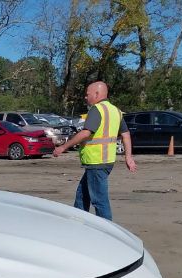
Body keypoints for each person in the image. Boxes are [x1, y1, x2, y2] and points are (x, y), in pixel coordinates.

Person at [52, 81, 136, 221]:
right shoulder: (115, 111)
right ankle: (76, 224)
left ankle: (108, 233)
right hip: (105, 161)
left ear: (97, 94)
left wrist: (63, 147)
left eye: (87, 94)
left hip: (97, 162)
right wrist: (128, 157)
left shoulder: (96, 109)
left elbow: (86, 133)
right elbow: (126, 134)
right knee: (82, 195)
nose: (85, 97)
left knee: (99, 200)